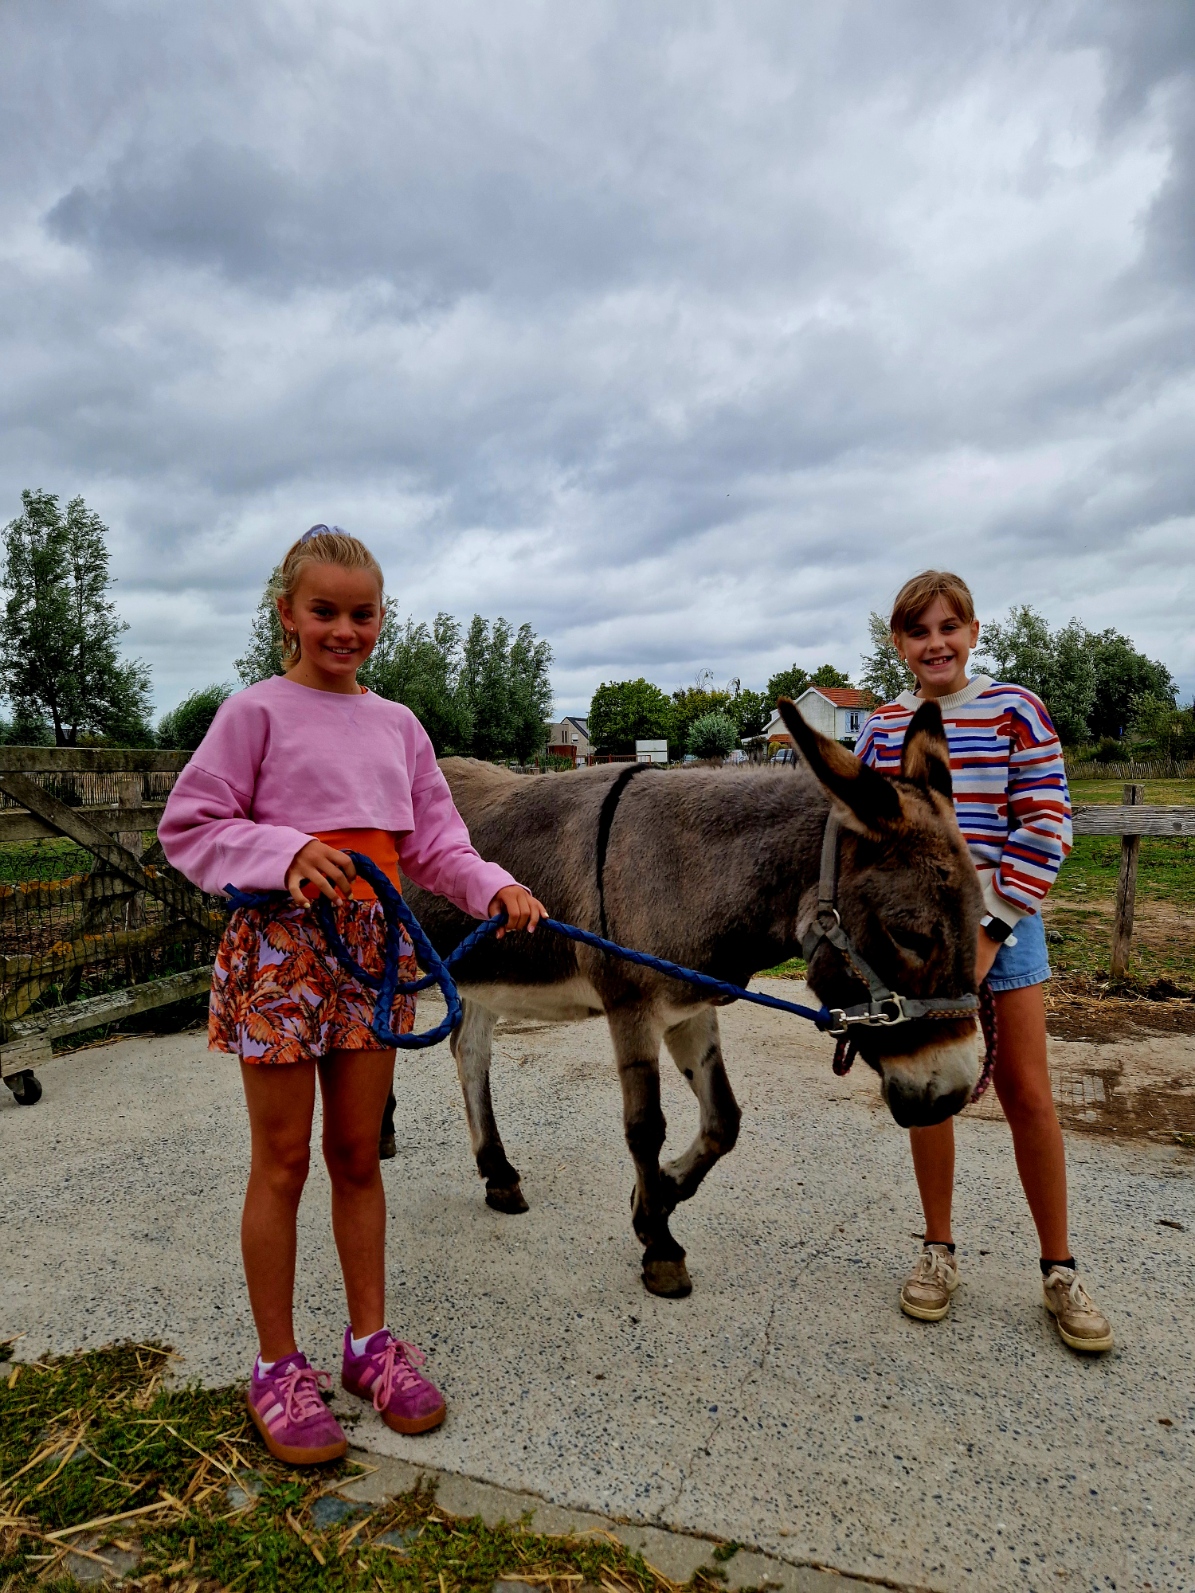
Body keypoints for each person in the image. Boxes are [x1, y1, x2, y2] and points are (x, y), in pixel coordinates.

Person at [160, 525, 547, 1463]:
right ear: (286, 613)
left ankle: (368, 1344)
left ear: (381, 617)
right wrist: (284, 849)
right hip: (284, 949)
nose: (344, 628)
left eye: (361, 612)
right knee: (283, 1158)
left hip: (373, 954)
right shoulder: (253, 711)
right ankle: (276, 1364)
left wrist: (490, 882)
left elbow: (435, 844)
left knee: (358, 1154)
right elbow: (192, 825)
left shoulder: (399, 725)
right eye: (323, 610)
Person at [854, 570, 1113, 1353]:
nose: (935, 642)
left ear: (971, 632)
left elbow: (1044, 825)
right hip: (916, 943)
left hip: (1004, 926)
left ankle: (1058, 1267)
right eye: (918, 631)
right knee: (927, 1087)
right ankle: (937, 1247)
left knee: (1028, 1092)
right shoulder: (879, 728)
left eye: (947, 627)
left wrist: (990, 931)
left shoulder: (1013, 710)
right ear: (897, 644)